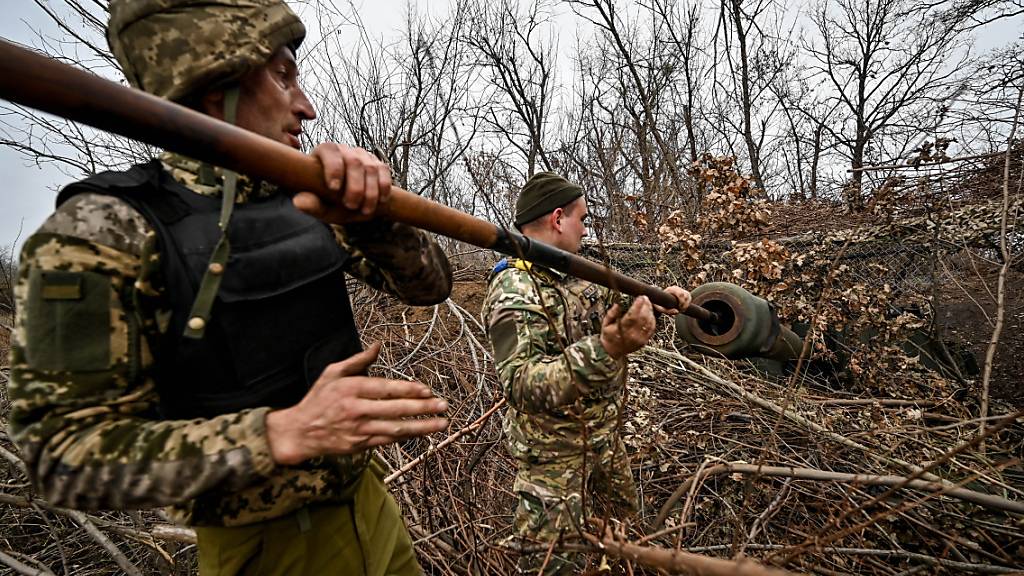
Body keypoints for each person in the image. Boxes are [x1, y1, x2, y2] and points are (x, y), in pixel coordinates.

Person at [8, 1, 452, 574]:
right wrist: (279, 432)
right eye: (284, 75)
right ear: (218, 82)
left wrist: (371, 217)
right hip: (262, 550)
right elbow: (59, 456)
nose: (307, 107)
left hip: (369, 510)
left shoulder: (303, 197)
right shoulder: (101, 230)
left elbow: (430, 286)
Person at [481, 172, 692, 574]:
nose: (585, 228)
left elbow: (614, 315)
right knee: (551, 564)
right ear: (558, 219)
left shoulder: (577, 274)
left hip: (604, 444)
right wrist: (608, 349)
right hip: (553, 461)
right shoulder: (514, 290)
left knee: (629, 547)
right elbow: (522, 384)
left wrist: (661, 302)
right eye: (583, 218)